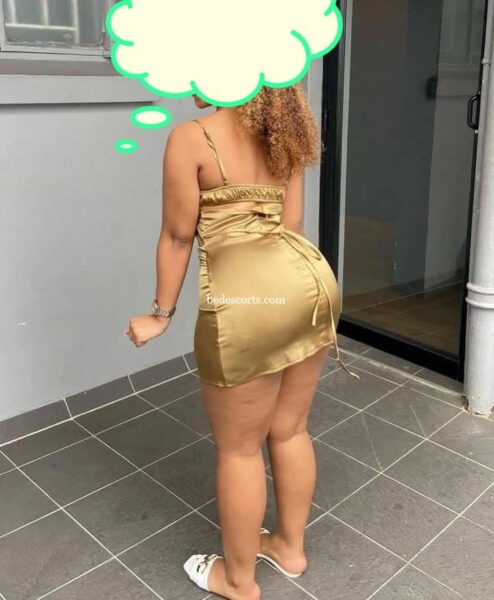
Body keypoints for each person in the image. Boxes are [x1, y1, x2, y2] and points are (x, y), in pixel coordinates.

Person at [125, 83, 359, 600]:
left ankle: (237, 581)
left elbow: (178, 236)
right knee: (291, 430)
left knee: (239, 450)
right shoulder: (285, 131)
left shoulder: (191, 138)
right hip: (309, 285)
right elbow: (292, 225)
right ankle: (289, 548)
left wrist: (160, 315)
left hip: (243, 303)